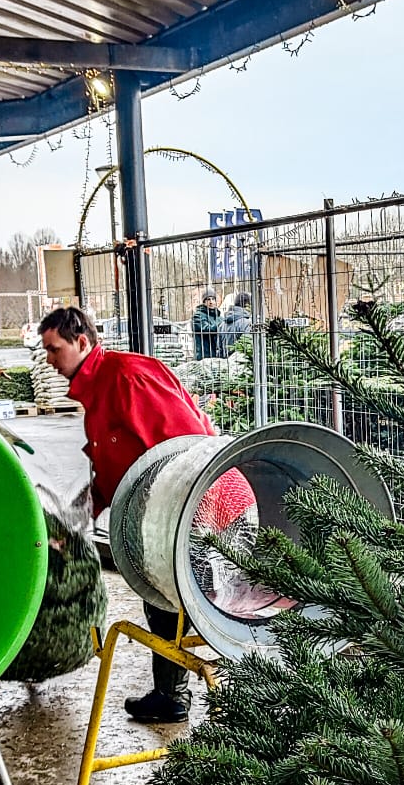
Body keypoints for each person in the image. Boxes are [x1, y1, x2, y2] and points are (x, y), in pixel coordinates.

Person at [38, 305, 252, 723]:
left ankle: (234, 703)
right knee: (165, 601)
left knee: (195, 602)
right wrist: (74, 522)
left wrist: (193, 520)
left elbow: (188, 445)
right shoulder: (97, 393)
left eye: (53, 349)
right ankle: (172, 695)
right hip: (174, 509)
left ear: (82, 342)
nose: (48, 359)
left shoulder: (128, 377)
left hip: (207, 502)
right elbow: (112, 468)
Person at [190, 291, 223, 360]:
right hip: (203, 356)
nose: (211, 302)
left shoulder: (219, 317)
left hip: (218, 355)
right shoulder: (198, 316)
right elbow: (207, 329)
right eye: (208, 299)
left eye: (213, 299)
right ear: (204, 302)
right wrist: (221, 325)